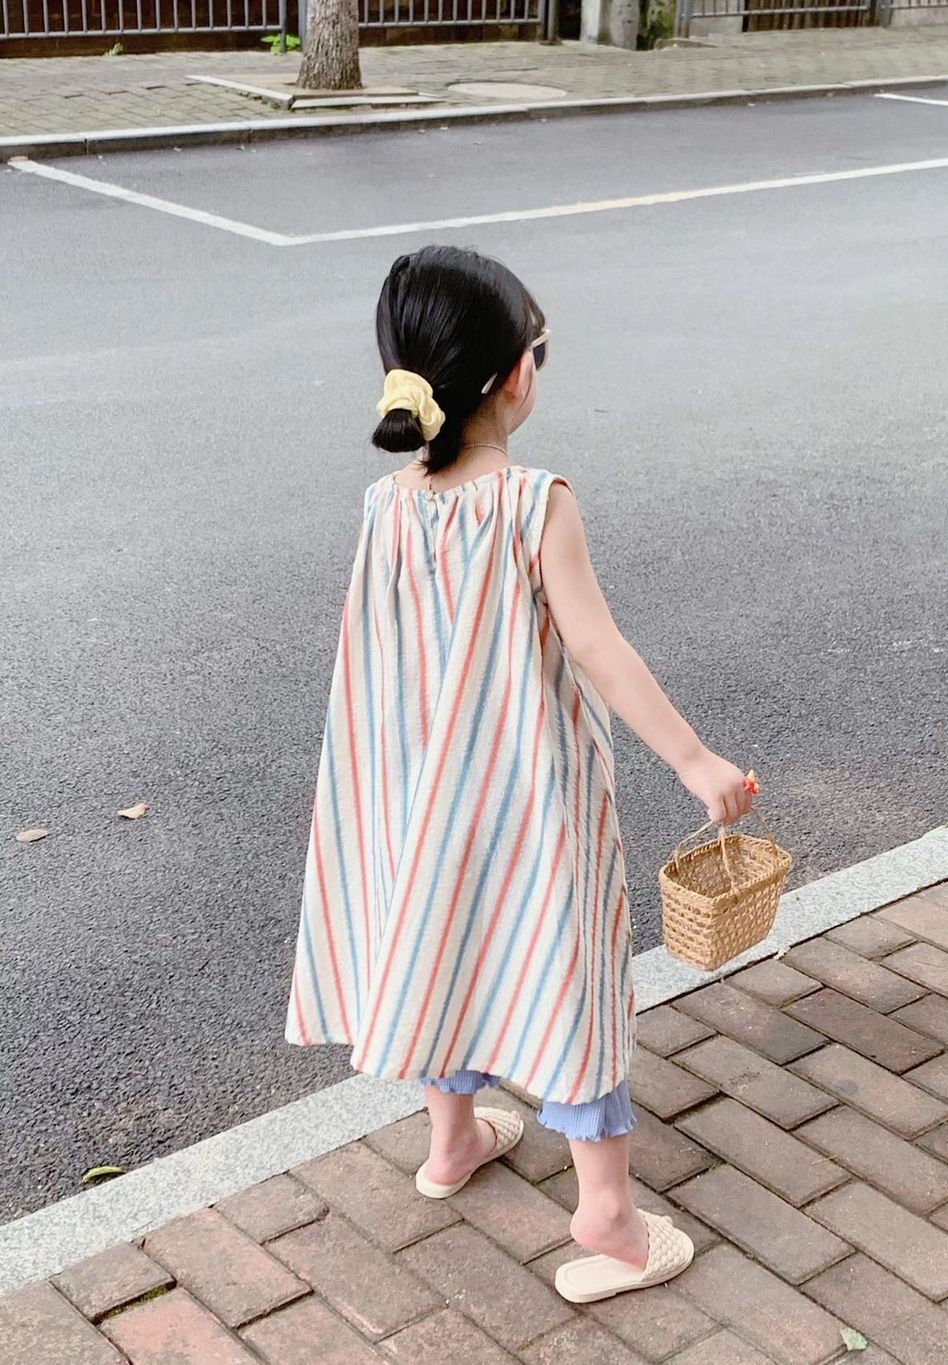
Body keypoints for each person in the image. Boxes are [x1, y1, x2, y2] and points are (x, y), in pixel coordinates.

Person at [286, 245, 753, 1303]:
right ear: (512, 377)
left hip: (420, 800)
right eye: (540, 347)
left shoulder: (385, 505)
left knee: (441, 946)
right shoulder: (535, 502)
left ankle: (452, 1140)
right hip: (530, 804)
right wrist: (696, 761)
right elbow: (597, 648)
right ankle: (609, 1220)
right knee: (571, 982)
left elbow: (380, 663)